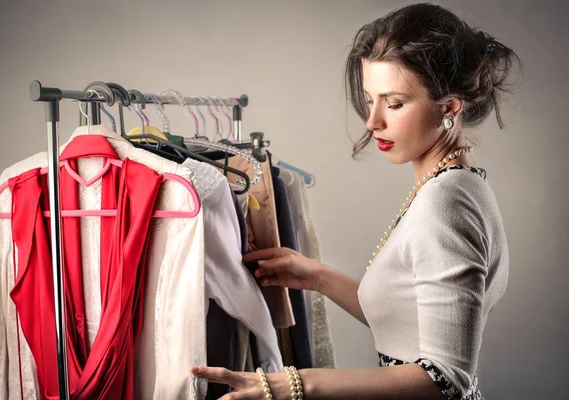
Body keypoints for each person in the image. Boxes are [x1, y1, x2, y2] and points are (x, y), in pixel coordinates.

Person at [191, 3, 519, 399]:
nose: (372, 120)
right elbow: (411, 325)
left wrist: (291, 384)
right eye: (369, 98)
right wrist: (318, 277)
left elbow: (444, 378)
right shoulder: (460, 184)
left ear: (449, 107)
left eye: (394, 103)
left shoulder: (447, 203)